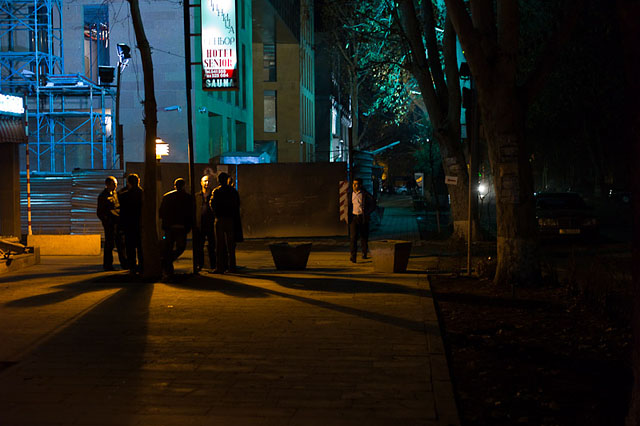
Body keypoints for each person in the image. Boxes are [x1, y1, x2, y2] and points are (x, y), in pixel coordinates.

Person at [159, 178, 194, 277]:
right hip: (181, 227)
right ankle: (167, 262)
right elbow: (190, 213)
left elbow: (161, 212)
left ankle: (167, 265)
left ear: (175, 185)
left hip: (169, 227)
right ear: (184, 186)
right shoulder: (188, 198)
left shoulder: (167, 197)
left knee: (168, 247)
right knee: (181, 247)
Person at [209, 172, 240, 273]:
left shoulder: (216, 191)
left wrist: (216, 214)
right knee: (231, 245)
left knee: (219, 245)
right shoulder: (233, 191)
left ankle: (220, 267)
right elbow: (237, 204)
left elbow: (212, 204)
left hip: (220, 219)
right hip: (230, 219)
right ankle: (232, 266)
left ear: (219, 180)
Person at [96, 176, 127, 271]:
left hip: (117, 223)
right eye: (114, 184)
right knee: (109, 244)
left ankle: (124, 263)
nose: (115, 186)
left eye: (116, 184)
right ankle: (108, 265)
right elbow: (100, 212)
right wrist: (106, 221)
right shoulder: (103, 196)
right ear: (108, 185)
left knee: (121, 244)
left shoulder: (115, 194)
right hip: (110, 224)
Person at [119, 173, 143, 274]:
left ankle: (132, 266)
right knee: (141, 247)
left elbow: (122, 212)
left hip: (129, 225)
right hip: (141, 224)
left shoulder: (124, 196)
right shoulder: (143, 194)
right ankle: (142, 265)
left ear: (128, 183)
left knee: (130, 247)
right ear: (138, 181)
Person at [348, 178, 376, 263]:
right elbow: (348, 205)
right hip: (354, 218)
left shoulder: (365, 194)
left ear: (360, 185)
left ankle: (364, 253)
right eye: (353, 184)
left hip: (363, 218)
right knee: (353, 237)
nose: (354, 186)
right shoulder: (350, 194)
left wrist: (367, 213)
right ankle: (353, 256)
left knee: (364, 237)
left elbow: (373, 204)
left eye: (356, 184)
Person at [194, 174, 216, 272]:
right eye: (205, 181)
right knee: (199, 246)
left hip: (211, 224)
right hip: (200, 225)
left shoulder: (214, 194)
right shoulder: (197, 196)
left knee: (212, 246)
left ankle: (213, 265)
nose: (207, 183)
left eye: (209, 181)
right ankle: (200, 264)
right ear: (201, 182)